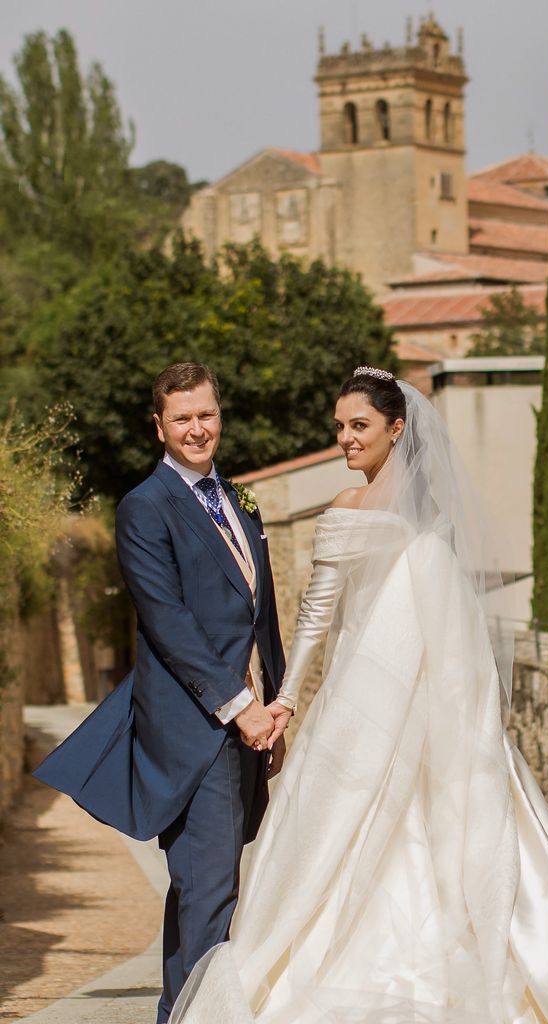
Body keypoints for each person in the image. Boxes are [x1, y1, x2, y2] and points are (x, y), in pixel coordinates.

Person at [167, 367, 548, 1024]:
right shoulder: (425, 516)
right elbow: (324, 616)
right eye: (340, 428)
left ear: (396, 429)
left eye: (359, 426)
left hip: (392, 708)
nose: (346, 440)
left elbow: (318, 617)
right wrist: (283, 702)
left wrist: (289, 699)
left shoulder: (357, 509)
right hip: (392, 704)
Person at [34, 362, 289, 1024]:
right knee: (209, 894)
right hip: (195, 730)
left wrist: (276, 704)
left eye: (205, 414)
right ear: (159, 426)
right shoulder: (145, 507)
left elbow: (262, 614)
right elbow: (167, 621)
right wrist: (240, 710)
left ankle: (178, 1016)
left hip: (247, 725)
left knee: (202, 891)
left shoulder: (240, 500)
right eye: (182, 418)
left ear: (219, 415)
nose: (196, 428)